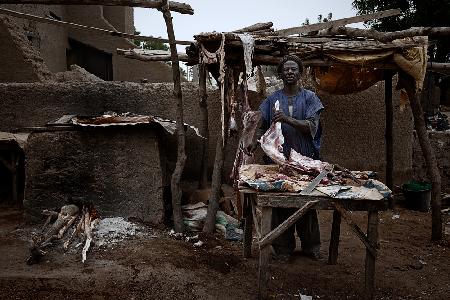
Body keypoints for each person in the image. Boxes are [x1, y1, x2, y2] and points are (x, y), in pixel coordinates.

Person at [259, 54, 324, 259]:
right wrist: (252, 138)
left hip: (304, 161)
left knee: (306, 203)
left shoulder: (310, 98)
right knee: (280, 204)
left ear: (300, 73)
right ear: (280, 73)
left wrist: (287, 119)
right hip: (278, 162)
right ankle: (283, 249)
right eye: (286, 69)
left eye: (293, 69)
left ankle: (311, 247)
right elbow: (261, 125)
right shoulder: (271, 100)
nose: (289, 72)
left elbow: (312, 126)